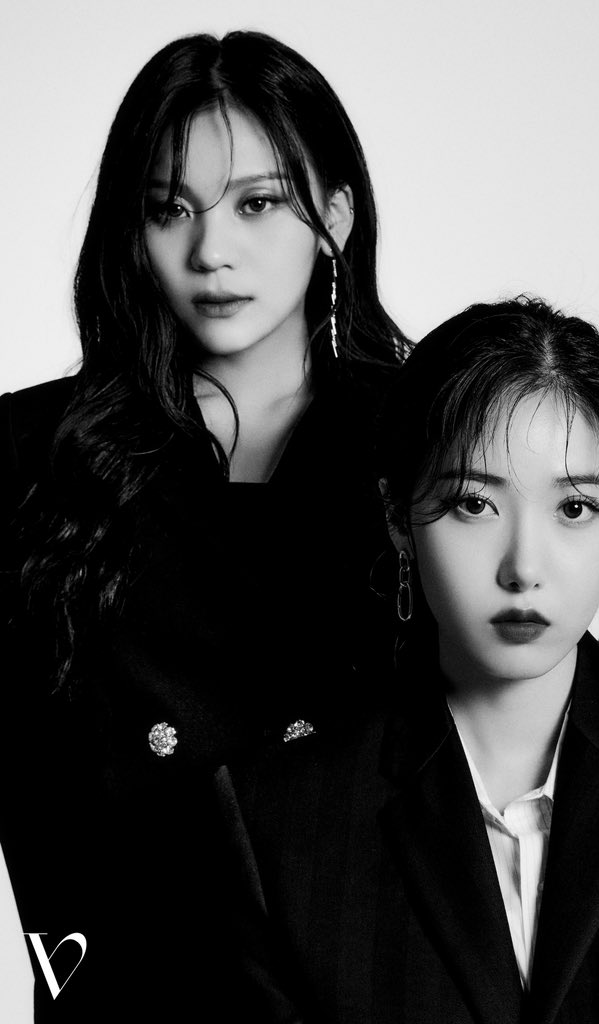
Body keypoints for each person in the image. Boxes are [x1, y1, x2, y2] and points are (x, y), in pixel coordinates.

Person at [217, 296, 599, 1023]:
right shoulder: (279, 821)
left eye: (575, 509)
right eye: (472, 504)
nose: (524, 568)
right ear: (397, 517)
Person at [0, 31, 407, 1020]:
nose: (211, 251)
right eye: (169, 209)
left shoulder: (427, 442)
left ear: (335, 216)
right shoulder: (29, 454)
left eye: (257, 204)